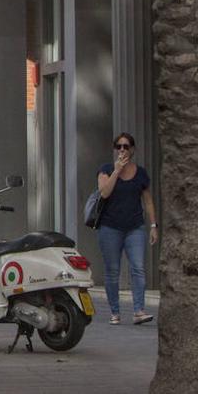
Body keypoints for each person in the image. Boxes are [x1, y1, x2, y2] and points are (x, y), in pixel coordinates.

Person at [96, 132, 157, 325]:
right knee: (112, 271)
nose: (122, 149)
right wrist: (116, 171)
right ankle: (115, 312)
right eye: (119, 146)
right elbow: (104, 193)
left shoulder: (141, 173)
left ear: (133, 149)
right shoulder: (106, 169)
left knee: (138, 268)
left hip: (135, 228)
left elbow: (147, 201)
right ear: (115, 150)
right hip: (110, 227)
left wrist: (153, 225)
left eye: (126, 146)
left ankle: (139, 310)